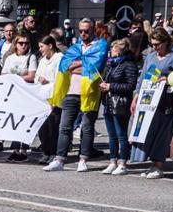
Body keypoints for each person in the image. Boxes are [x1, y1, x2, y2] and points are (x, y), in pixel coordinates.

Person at [45, 18, 107, 172]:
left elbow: (95, 66)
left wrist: (77, 65)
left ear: (94, 30)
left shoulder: (101, 45)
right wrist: (82, 63)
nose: (84, 34)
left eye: (87, 31)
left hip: (90, 92)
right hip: (71, 91)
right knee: (64, 127)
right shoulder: (74, 47)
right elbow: (66, 66)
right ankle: (59, 159)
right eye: (81, 31)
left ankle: (83, 158)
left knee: (86, 127)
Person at [131, 27, 173, 179]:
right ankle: (151, 163)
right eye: (152, 44)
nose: (154, 47)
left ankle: (159, 165)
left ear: (166, 42)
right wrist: (136, 97)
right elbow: (142, 77)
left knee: (163, 132)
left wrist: (167, 80)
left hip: (166, 101)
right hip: (149, 100)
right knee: (149, 131)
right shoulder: (151, 57)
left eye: (157, 44)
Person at [99, 38, 139, 176]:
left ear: (119, 50)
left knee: (121, 134)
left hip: (120, 102)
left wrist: (111, 86)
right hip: (109, 101)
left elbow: (130, 85)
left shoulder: (128, 64)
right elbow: (107, 78)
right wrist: (104, 85)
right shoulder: (111, 64)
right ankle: (113, 160)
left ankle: (123, 162)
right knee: (111, 135)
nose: (111, 51)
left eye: (113, 48)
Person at [2, 33, 37, 161]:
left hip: (26, 94)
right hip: (13, 95)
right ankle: (15, 149)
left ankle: (24, 149)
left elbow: (31, 76)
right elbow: (3, 74)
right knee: (14, 121)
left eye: (26, 43)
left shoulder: (31, 57)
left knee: (25, 122)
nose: (24, 46)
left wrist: (15, 79)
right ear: (15, 44)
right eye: (21, 43)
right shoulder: (10, 58)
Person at [34, 35, 64, 163]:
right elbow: (36, 76)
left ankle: (53, 152)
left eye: (42, 46)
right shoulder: (42, 60)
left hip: (54, 96)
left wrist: (48, 81)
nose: (40, 49)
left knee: (53, 127)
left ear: (50, 46)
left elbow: (60, 79)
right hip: (42, 97)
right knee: (42, 128)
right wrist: (39, 79)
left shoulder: (59, 59)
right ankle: (45, 150)